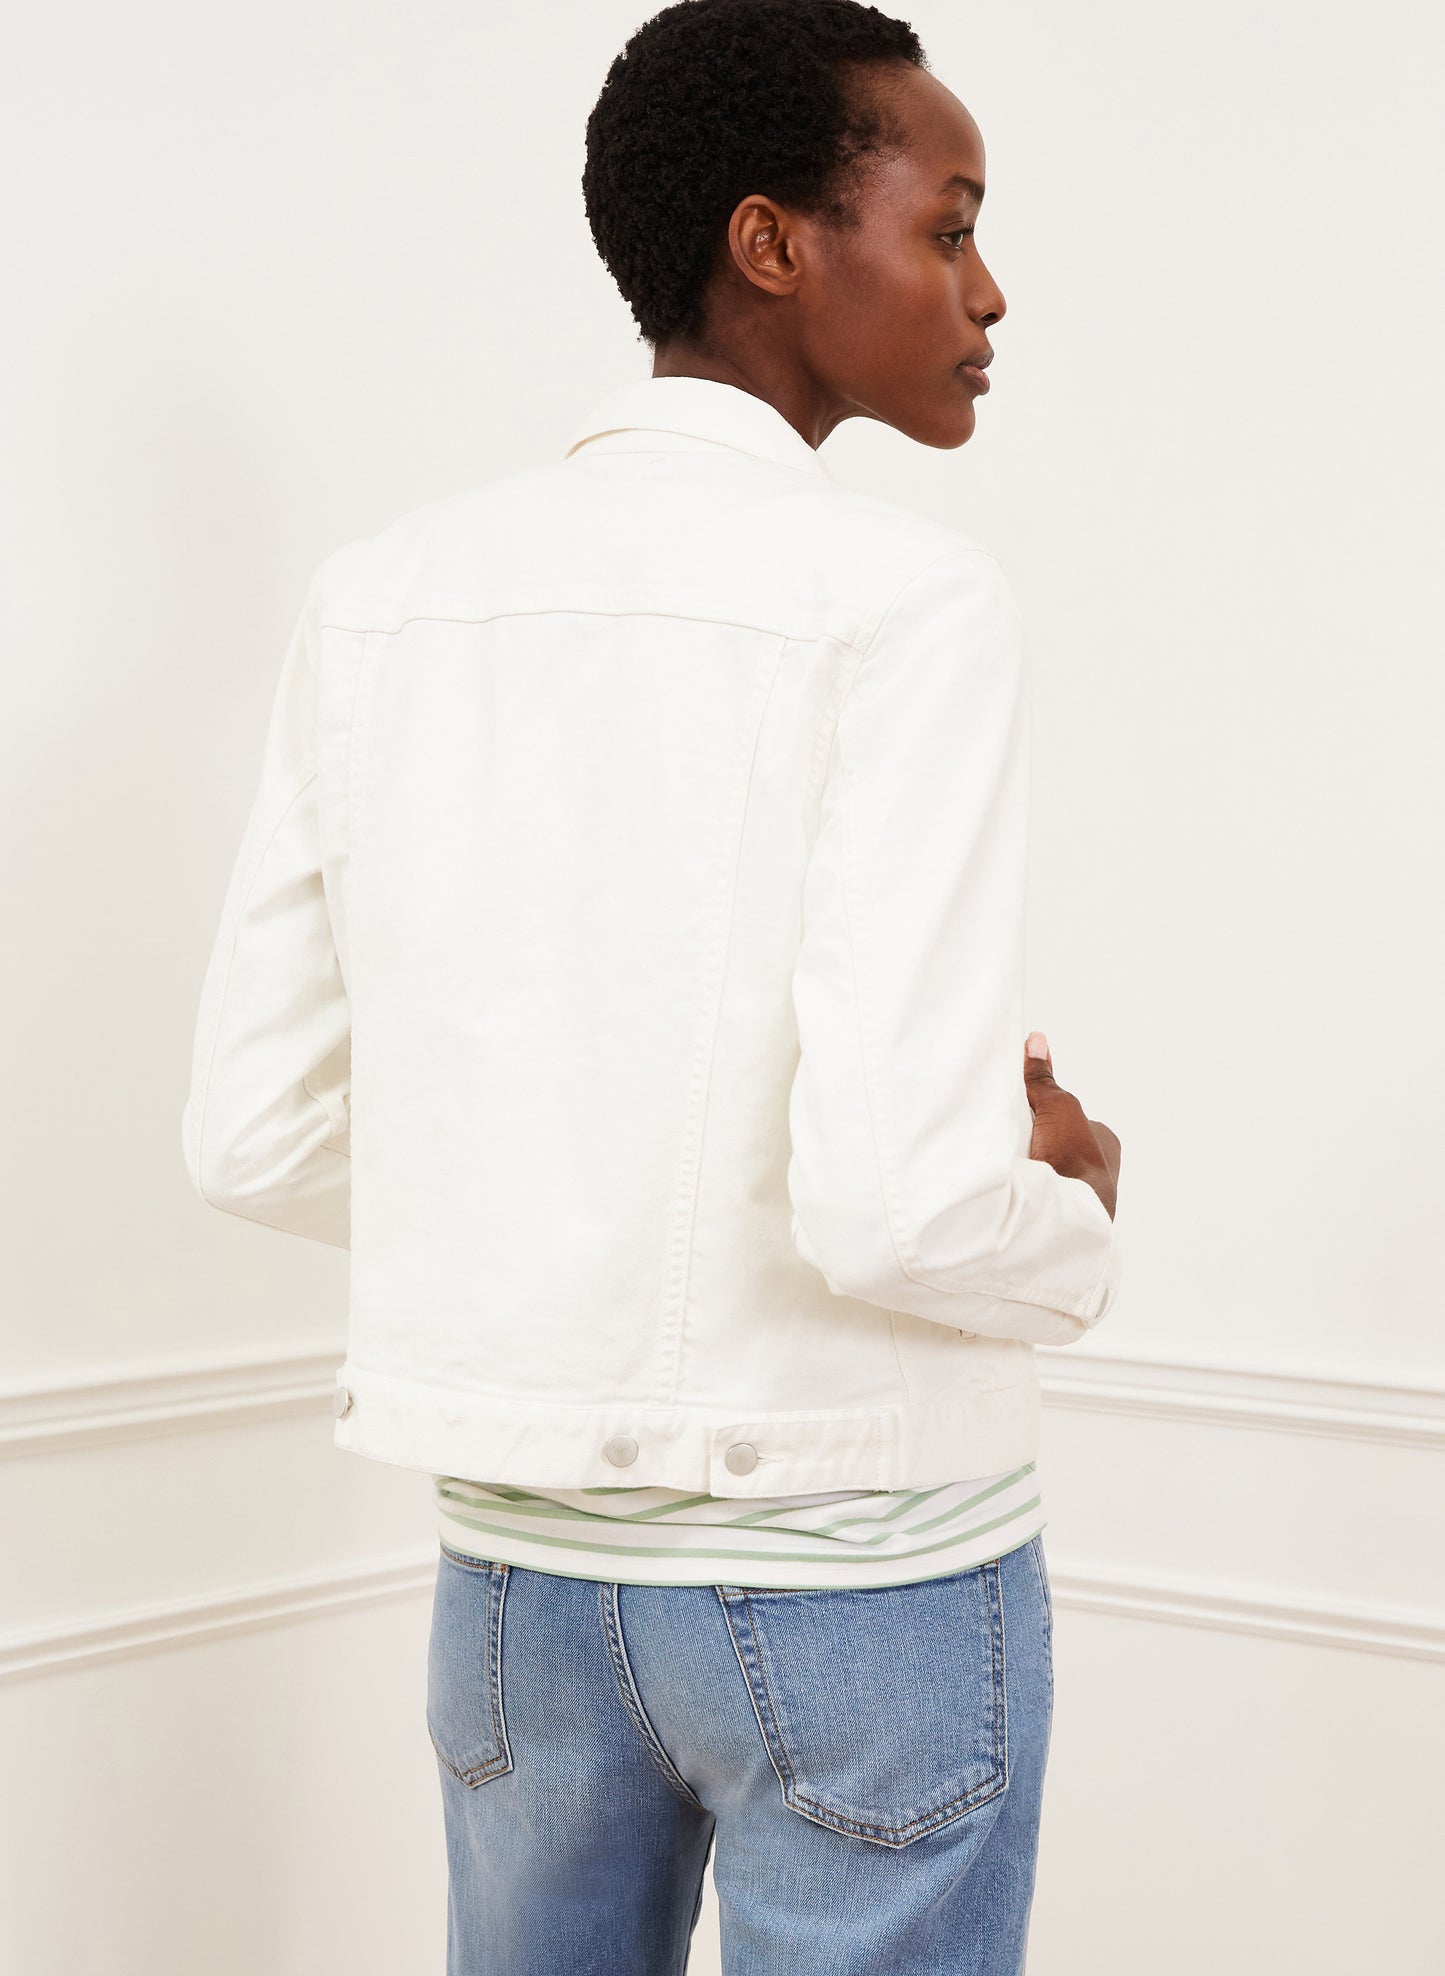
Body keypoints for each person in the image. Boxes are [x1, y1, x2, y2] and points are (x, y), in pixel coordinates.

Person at [180, 0, 1123, 1968]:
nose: (986, 290)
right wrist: (1064, 1197)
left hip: (517, 1586)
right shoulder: (905, 601)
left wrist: (574, 1196)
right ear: (771, 242)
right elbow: (899, 1206)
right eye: (947, 227)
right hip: (859, 1574)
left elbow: (252, 1134)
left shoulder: (381, 594)